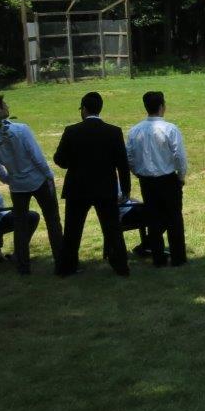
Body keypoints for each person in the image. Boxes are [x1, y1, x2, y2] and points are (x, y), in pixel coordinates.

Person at [0, 95, 63, 275]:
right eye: (4, 105)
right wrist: (49, 175)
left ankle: (23, 267)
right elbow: (36, 156)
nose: (7, 106)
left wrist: (7, 179)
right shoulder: (20, 129)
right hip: (37, 180)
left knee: (20, 224)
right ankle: (61, 261)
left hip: (17, 184)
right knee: (53, 220)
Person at [53, 92, 131, 277]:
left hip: (78, 188)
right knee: (112, 229)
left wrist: (74, 161)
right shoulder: (114, 131)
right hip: (105, 188)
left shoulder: (71, 131)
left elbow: (60, 160)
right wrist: (126, 190)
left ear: (84, 110)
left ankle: (66, 268)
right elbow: (122, 164)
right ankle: (121, 266)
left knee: (72, 230)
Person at [126, 91, 189, 267]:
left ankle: (158, 258)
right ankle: (178, 258)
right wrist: (181, 177)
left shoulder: (134, 131)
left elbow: (129, 156)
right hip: (168, 179)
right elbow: (180, 157)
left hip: (147, 181)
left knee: (153, 220)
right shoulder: (170, 129)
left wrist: (136, 172)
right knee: (174, 218)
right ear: (162, 106)